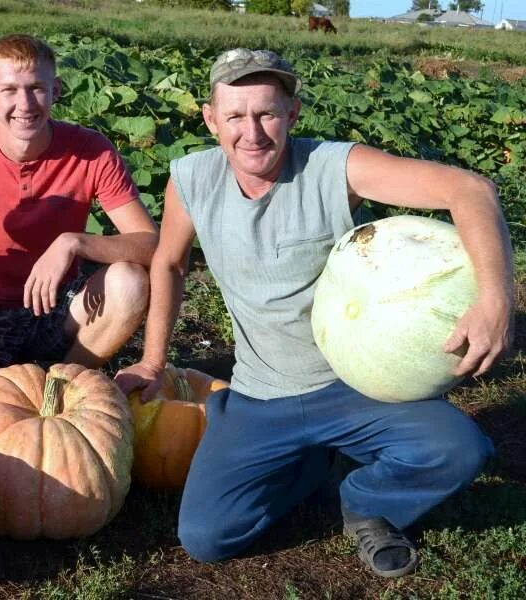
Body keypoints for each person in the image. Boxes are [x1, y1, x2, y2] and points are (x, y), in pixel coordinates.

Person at [115, 48, 513, 578]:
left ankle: (368, 501)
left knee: (458, 449)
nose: (252, 132)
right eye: (235, 115)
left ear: (293, 114)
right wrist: (152, 360)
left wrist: (497, 299)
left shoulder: (333, 167)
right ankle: (309, 463)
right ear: (211, 120)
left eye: (267, 113)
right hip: (259, 395)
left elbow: (471, 189)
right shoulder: (192, 179)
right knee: (208, 537)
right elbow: (167, 262)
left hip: (356, 385)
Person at [0, 34, 158, 380]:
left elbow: (150, 243)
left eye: (36, 88)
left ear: (56, 90)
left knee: (129, 281)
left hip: (62, 308)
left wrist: (75, 242)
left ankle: (66, 382)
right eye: (9, 90)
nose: (25, 104)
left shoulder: (91, 150)